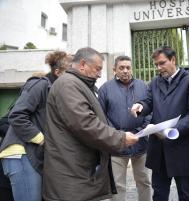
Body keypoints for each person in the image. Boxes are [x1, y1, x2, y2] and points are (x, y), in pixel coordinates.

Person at [43, 47, 139, 201]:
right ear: (82, 64)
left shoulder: (78, 84)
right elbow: (85, 124)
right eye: (98, 68)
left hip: (77, 172)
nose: (100, 74)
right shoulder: (69, 85)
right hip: (70, 175)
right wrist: (120, 139)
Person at [131, 46, 189, 201]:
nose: (159, 68)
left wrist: (173, 130)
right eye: (156, 64)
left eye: (162, 63)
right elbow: (148, 102)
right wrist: (140, 106)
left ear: (173, 60)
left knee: (186, 194)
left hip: (182, 148)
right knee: (159, 194)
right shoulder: (155, 82)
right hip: (159, 150)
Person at [0, 51, 72, 201]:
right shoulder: (39, 84)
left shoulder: (58, 91)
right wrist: (43, 140)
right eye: (70, 72)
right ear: (57, 72)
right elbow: (17, 116)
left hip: (32, 156)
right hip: (20, 154)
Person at [98, 55, 151, 201]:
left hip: (141, 143)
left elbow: (149, 110)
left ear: (131, 68)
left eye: (128, 67)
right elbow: (101, 117)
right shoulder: (105, 89)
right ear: (114, 69)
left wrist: (141, 131)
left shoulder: (143, 86)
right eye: (121, 68)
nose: (125, 71)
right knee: (118, 185)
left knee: (144, 182)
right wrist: (119, 135)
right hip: (117, 145)